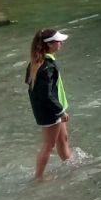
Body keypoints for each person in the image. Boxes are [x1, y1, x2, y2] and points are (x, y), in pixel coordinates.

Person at [25, 27, 73, 180]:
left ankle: (69, 163)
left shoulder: (39, 62)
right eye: (59, 42)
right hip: (51, 111)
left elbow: (33, 87)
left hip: (54, 107)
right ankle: (39, 177)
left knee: (63, 139)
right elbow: (46, 94)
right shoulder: (46, 67)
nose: (61, 44)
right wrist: (60, 111)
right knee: (49, 145)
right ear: (50, 44)